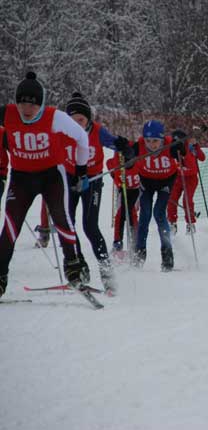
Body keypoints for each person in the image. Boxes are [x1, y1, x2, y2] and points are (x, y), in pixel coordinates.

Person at [0, 72, 89, 298]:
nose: (26, 109)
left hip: (51, 176)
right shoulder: (7, 113)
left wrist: (80, 171)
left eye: (32, 104)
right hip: (21, 178)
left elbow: (82, 137)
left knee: (62, 218)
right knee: (11, 226)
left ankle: (73, 267)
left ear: (40, 103)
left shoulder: (54, 117)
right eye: (22, 102)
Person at [62, 92, 130, 292]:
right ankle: (79, 265)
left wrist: (125, 147)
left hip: (91, 182)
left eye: (81, 120)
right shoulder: (62, 133)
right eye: (72, 121)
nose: (77, 125)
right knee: (68, 224)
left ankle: (106, 272)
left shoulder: (97, 131)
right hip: (69, 181)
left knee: (90, 226)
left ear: (88, 119)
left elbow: (113, 141)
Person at [130, 121, 184, 271]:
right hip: (146, 182)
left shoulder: (169, 144)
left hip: (166, 181)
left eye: (155, 141)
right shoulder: (139, 145)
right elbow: (128, 156)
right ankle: (139, 255)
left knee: (159, 213)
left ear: (162, 139)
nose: (152, 145)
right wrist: (127, 159)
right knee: (145, 215)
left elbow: (183, 153)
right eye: (148, 141)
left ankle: (167, 257)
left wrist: (181, 147)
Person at [168, 131, 206, 235]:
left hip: (191, 178)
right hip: (177, 178)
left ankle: (190, 224)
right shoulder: (172, 149)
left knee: (187, 200)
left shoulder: (189, 147)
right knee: (171, 199)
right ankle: (172, 223)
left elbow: (202, 158)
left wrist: (196, 146)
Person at [106, 155, 140, 261]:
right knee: (120, 215)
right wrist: (114, 174)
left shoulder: (138, 159)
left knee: (132, 214)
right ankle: (117, 243)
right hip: (123, 190)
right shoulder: (117, 158)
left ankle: (135, 242)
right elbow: (109, 163)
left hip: (136, 190)